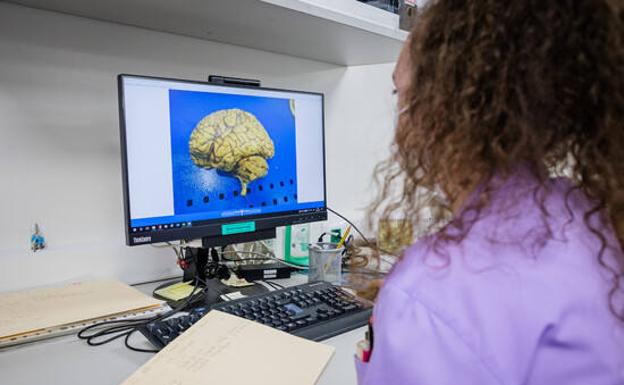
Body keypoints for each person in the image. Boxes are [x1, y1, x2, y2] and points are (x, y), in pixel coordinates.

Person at [357, 1, 624, 384]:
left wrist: (415, 309)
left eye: (398, 93)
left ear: (435, 112)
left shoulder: (435, 292)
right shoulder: (588, 215)